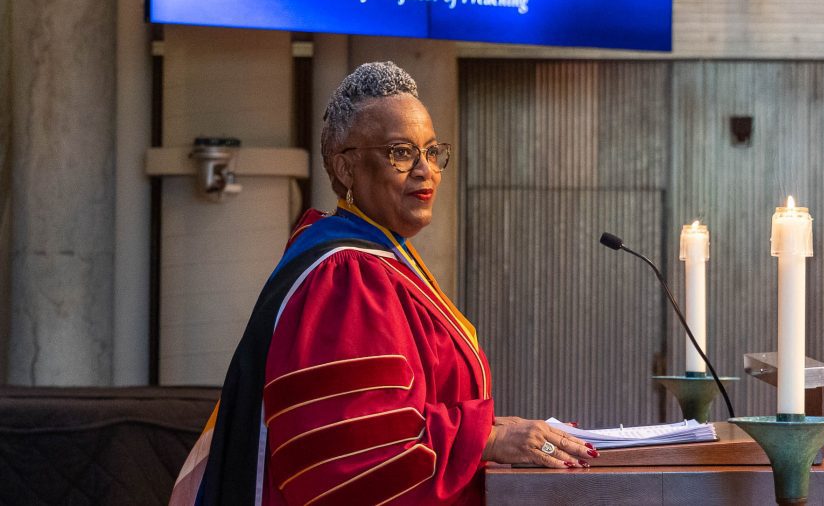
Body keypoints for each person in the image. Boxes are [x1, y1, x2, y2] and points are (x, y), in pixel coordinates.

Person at [170, 61, 596, 506]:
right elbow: (354, 454)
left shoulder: (380, 257)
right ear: (346, 168)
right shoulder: (346, 275)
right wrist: (482, 439)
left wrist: (490, 428)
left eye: (432, 152)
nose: (424, 170)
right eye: (401, 152)